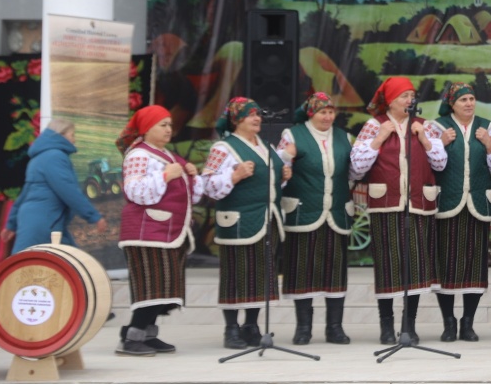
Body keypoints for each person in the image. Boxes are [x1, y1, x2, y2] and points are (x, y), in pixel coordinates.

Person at [349, 77, 445, 344]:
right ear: (390, 101)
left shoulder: (425, 126)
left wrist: (424, 139)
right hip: (386, 206)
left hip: (418, 206)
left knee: (415, 266)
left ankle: (408, 325)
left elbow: (440, 164)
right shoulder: (374, 125)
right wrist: (379, 138)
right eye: (404, 96)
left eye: (412, 96)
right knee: (387, 266)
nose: (409, 100)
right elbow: (356, 167)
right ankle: (386, 325)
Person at [202, 97, 292, 350]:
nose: (257, 119)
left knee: (260, 274)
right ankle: (231, 329)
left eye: (258, 114)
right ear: (236, 119)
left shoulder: (265, 146)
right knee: (236, 273)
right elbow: (207, 185)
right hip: (239, 221)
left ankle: (251, 326)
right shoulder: (223, 148)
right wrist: (235, 175)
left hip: (267, 219)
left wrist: (282, 177)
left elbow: (267, 182)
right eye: (251, 115)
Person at [114, 105, 204, 356]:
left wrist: (193, 177)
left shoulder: (170, 156)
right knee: (152, 286)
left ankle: (147, 335)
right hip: (147, 233)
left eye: (169, 124)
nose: (168, 129)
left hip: (167, 232)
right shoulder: (139, 155)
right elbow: (134, 191)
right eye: (162, 125)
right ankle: (131, 338)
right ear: (146, 128)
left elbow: (192, 196)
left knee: (164, 287)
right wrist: (164, 176)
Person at [428, 82, 491, 343]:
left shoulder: (486, 127)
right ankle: (449, 323)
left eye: (472, 98)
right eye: (463, 100)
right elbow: (433, 164)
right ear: (452, 104)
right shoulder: (437, 127)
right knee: (446, 264)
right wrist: (440, 143)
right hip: (448, 203)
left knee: (475, 264)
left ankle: (468, 322)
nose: (469, 103)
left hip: (478, 203)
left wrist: (489, 145)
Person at [276, 92, 354, 346]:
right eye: (322, 112)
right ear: (311, 113)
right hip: (303, 211)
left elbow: (353, 173)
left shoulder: (343, 137)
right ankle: (303, 329)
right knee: (302, 270)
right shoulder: (293, 135)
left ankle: (335, 328)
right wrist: (287, 156)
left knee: (335, 270)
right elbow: (277, 168)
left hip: (336, 213)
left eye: (331, 112)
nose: (328, 117)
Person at [2, 118, 108, 253]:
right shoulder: (55, 157)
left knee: (63, 261)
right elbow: (69, 191)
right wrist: (93, 216)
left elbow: (24, 195)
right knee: (39, 262)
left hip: (37, 221)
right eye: (72, 135)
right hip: (45, 222)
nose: (74, 140)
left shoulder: (38, 158)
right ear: (61, 135)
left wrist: (11, 224)